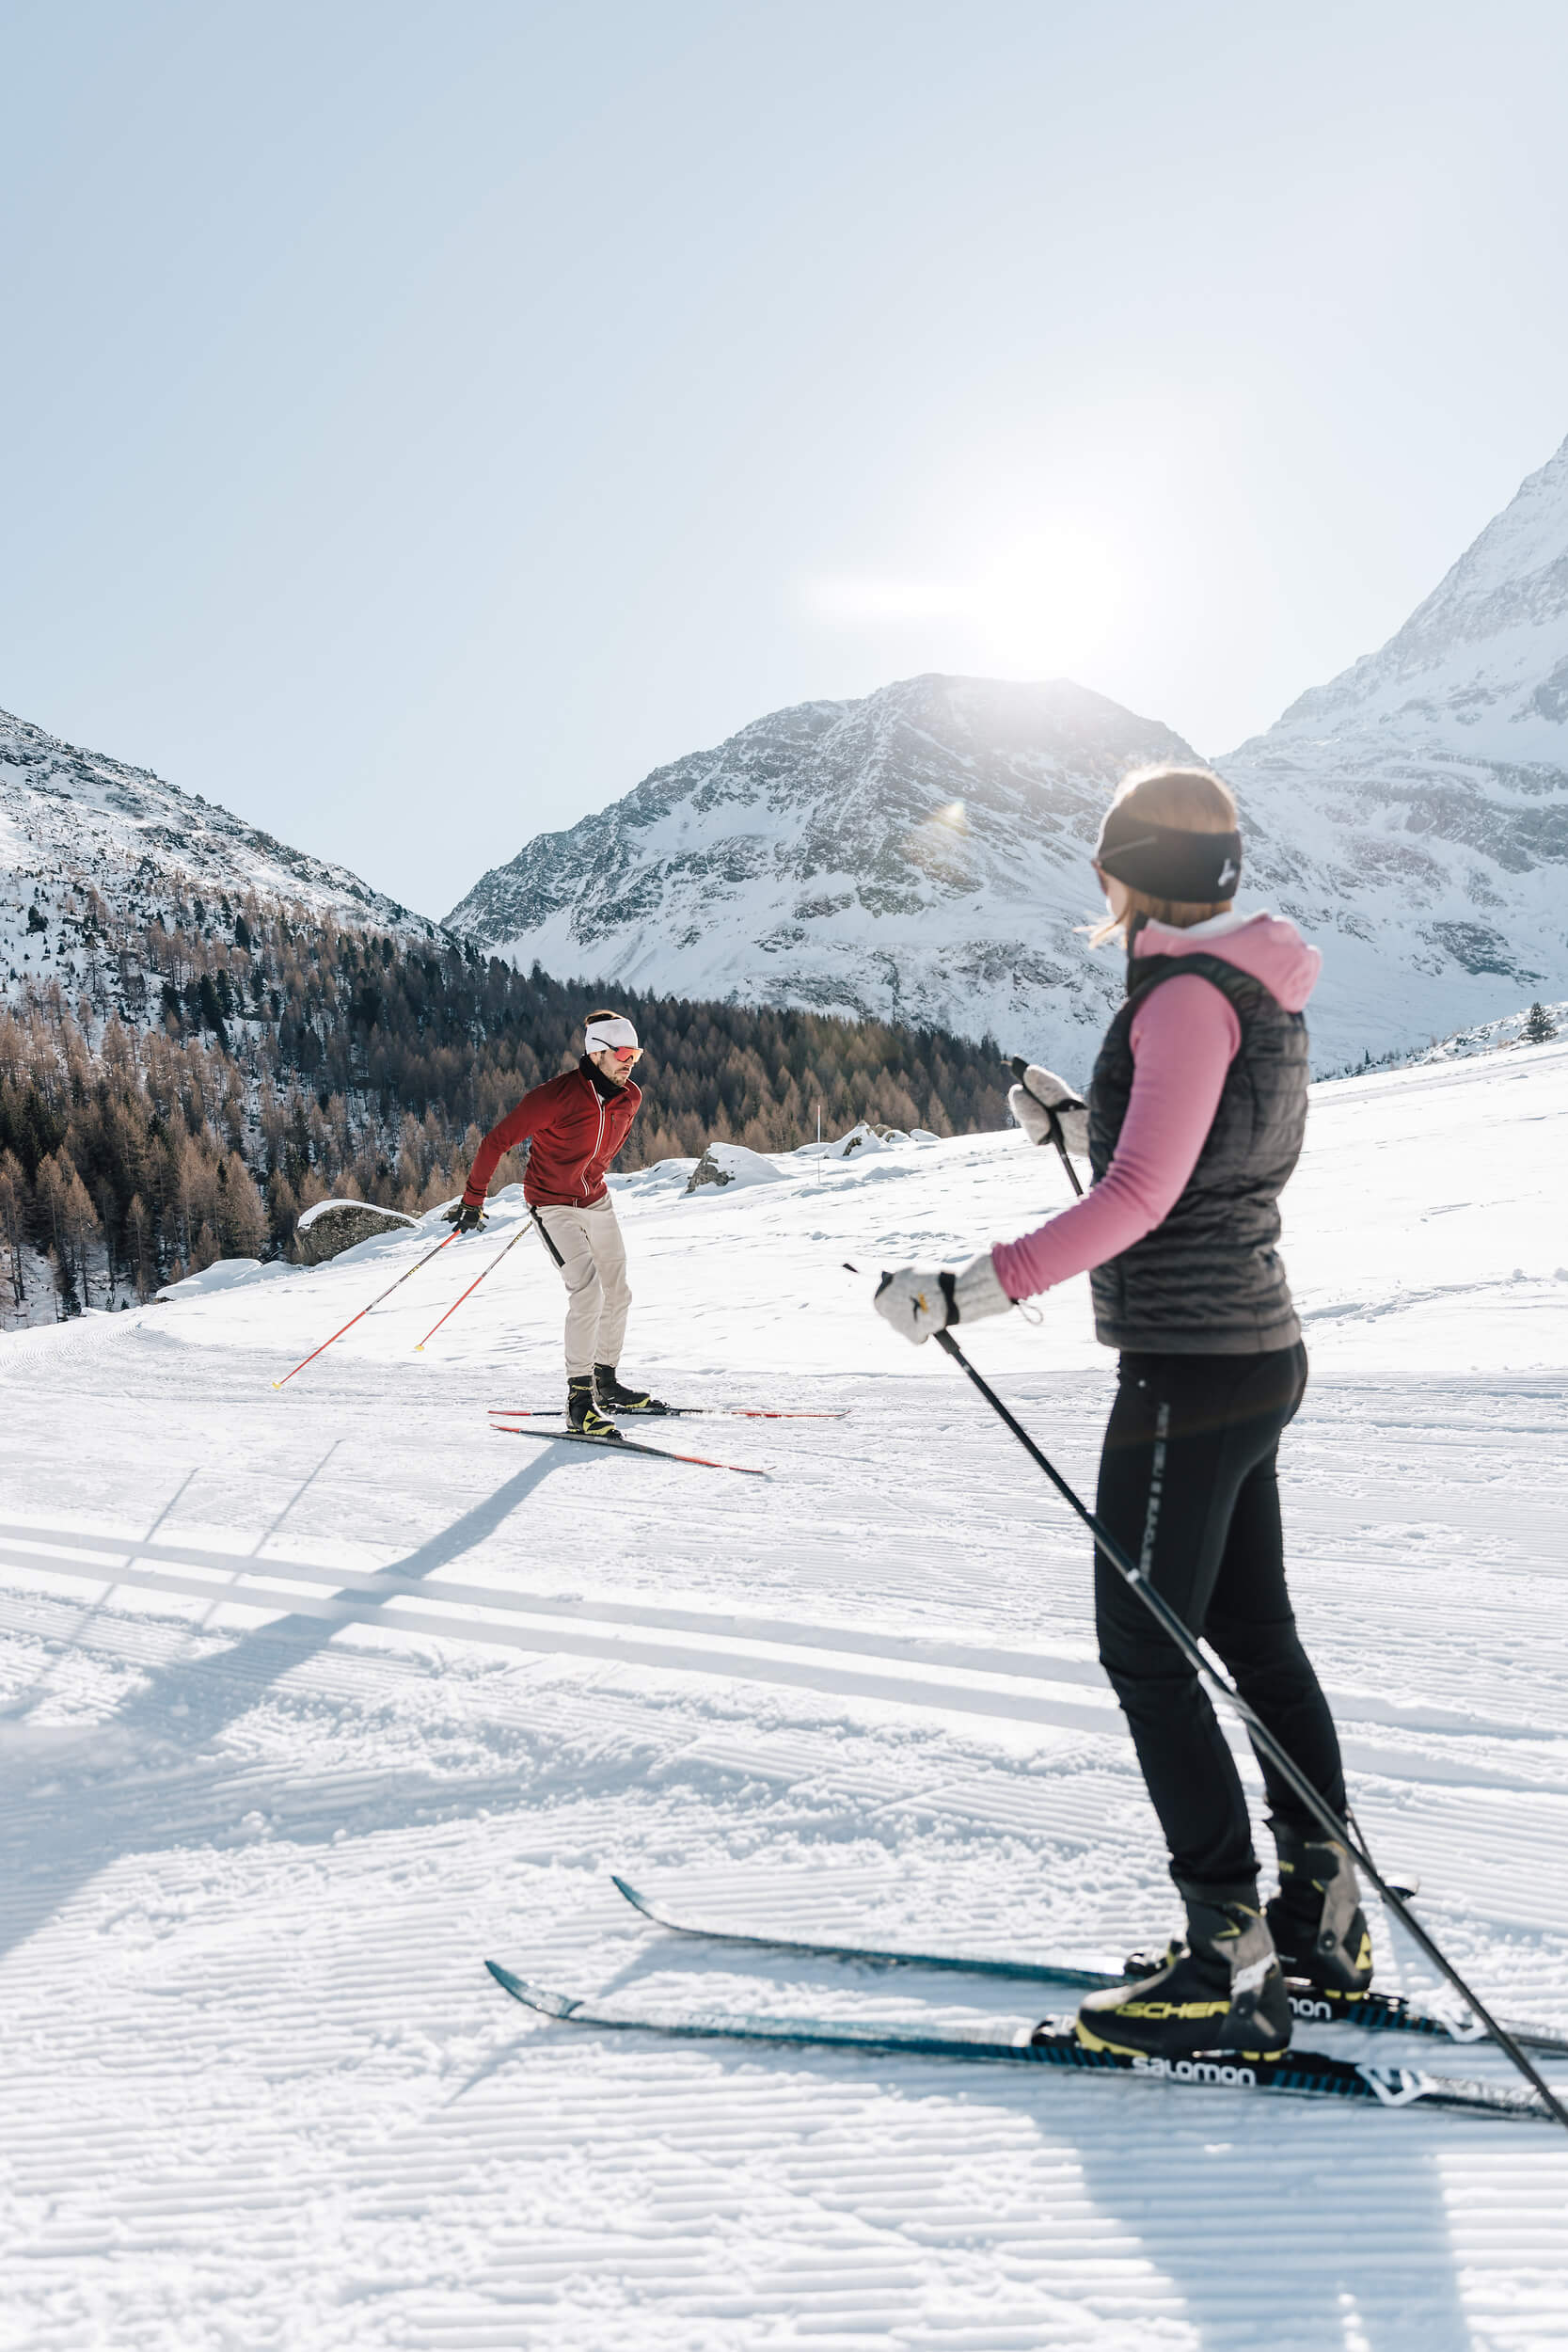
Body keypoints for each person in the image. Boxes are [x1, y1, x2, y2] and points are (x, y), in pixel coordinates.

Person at [874, 765, 1370, 2064]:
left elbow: (1143, 1198)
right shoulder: (1249, 983)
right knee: (1252, 1637)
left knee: (1147, 1653)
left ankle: (1227, 1968)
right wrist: (1081, 1121)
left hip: (1187, 1370)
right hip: (1250, 1351)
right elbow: (1195, 1158)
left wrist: (964, 1289)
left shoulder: (1183, 998)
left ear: (1123, 872)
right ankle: (1320, 1919)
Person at [450, 1009, 666, 1435]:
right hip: (552, 1204)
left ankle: (605, 1383)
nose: (630, 1063)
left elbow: (603, 1151)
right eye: (623, 1054)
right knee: (588, 1294)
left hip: (596, 1200)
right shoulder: (554, 1097)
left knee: (618, 1292)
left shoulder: (630, 1098)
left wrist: (587, 1180)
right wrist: (473, 1199)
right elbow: (496, 1142)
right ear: (597, 1052)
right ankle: (578, 1402)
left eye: (636, 1055)